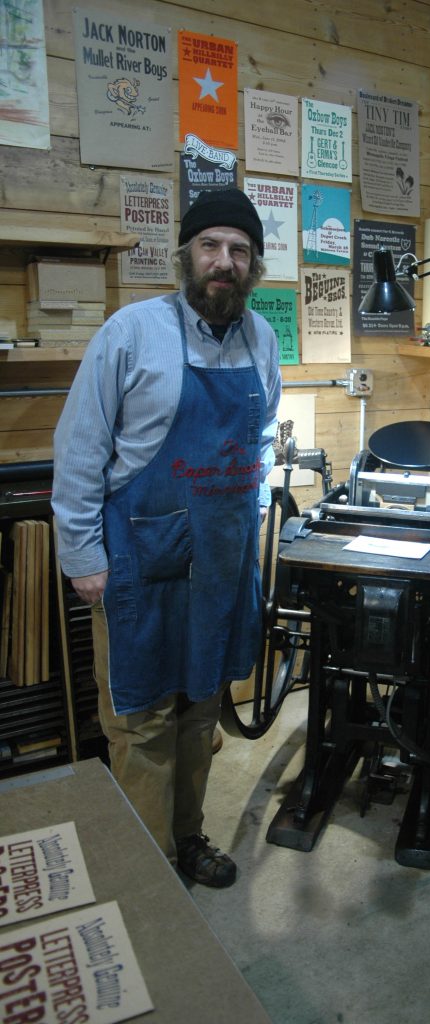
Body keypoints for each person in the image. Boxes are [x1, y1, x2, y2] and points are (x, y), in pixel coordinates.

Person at [51, 188, 282, 888]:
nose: (225, 262)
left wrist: (256, 514)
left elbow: (262, 439)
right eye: (211, 246)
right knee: (142, 718)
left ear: (253, 266)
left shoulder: (261, 338)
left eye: (239, 251)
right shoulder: (131, 332)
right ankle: (146, 870)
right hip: (141, 560)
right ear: (185, 255)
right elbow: (79, 449)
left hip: (220, 561)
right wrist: (83, 556)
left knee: (199, 706)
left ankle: (188, 839)